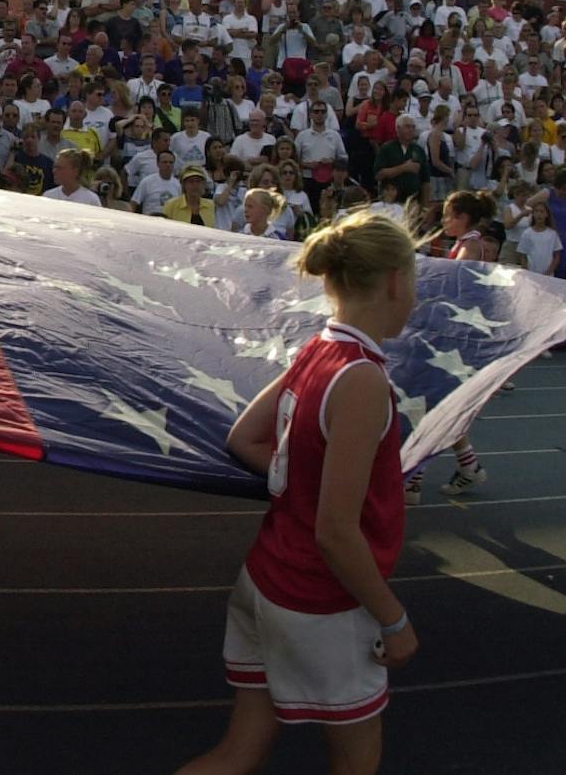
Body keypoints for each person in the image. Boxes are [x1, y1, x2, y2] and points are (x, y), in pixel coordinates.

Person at [178, 210, 421, 775]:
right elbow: (336, 532)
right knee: (356, 760)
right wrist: (394, 620)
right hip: (320, 602)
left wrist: (304, 485)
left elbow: (245, 438)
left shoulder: (318, 349)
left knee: (239, 751)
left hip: (265, 576)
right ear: (393, 281)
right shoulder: (361, 379)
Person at [407, 190, 496, 503]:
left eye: (447, 215)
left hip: (455, 339)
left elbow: (457, 290)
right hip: (448, 333)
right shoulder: (464, 244)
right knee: (438, 405)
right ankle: (469, 467)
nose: (443, 221)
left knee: (431, 404)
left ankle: (414, 480)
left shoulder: (470, 246)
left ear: (462, 218)